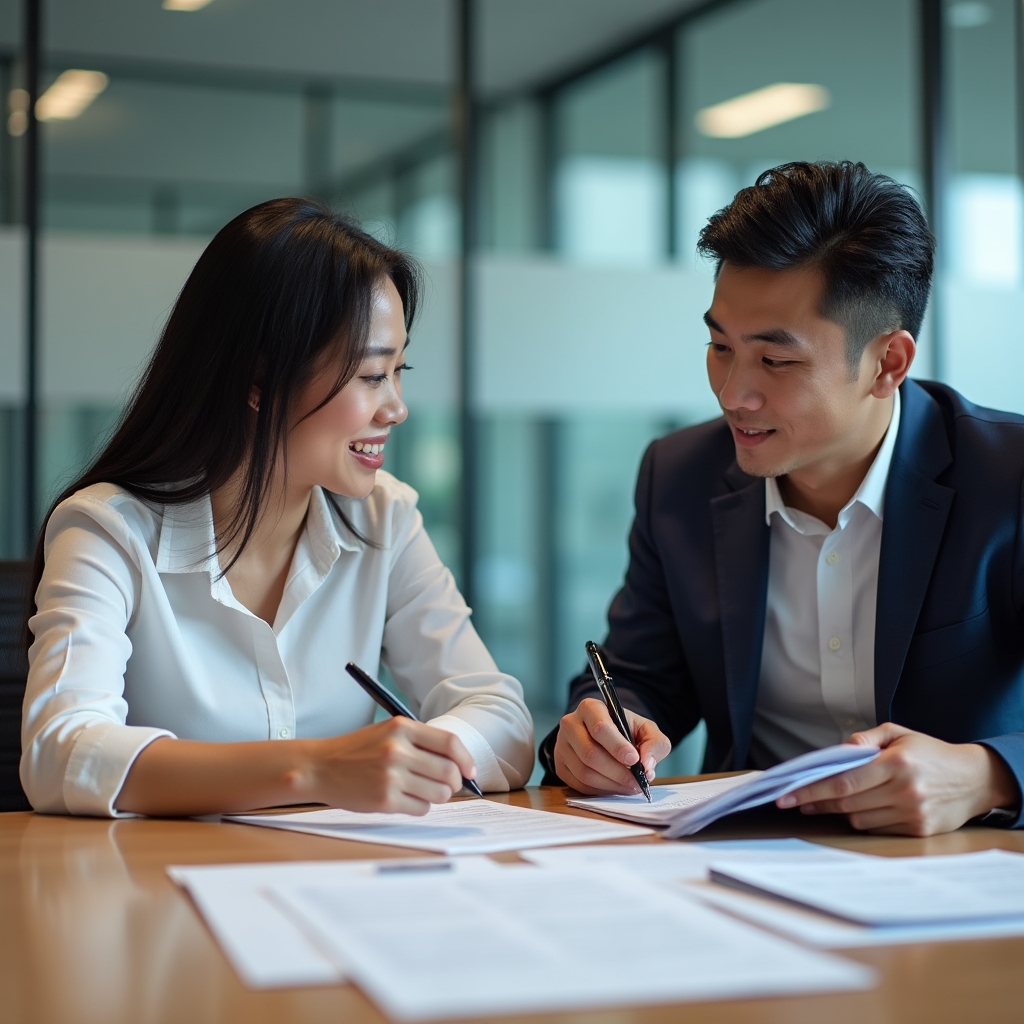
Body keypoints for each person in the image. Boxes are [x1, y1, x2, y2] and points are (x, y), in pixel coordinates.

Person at [540, 161, 1023, 836]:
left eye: (776, 361)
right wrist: (598, 731)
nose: (735, 392)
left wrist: (988, 774)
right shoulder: (678, 475)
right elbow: (637, 675)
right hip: (743, 859)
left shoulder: (1006, 478)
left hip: (960, 867)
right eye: (719, 346)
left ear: (887, 363)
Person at [22, 198, 533, 818]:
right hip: (162, 894)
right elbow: (61, 751)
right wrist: (319, 769)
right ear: (260, 380)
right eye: (373, 376)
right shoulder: (107, 529)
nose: (396, 408)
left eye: (401, 372)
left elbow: (502, 721)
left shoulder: (386, 520)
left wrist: (405, 762)